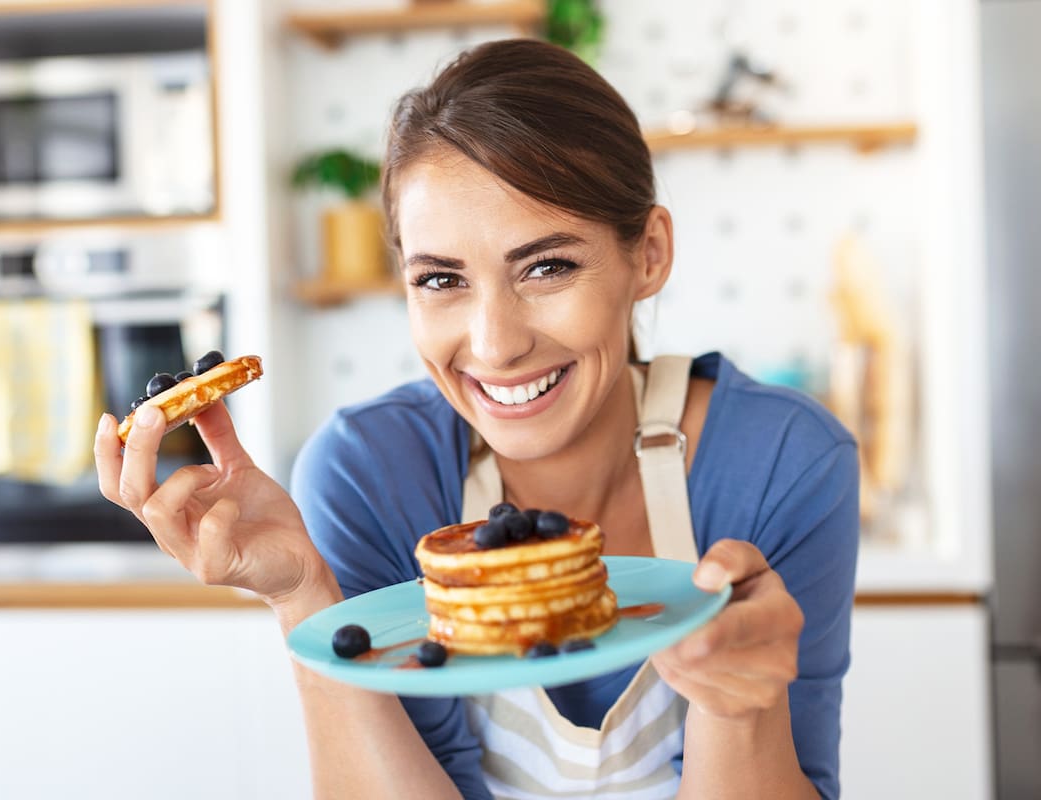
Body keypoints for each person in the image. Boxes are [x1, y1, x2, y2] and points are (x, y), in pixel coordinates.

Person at [94, 38, 858, 800]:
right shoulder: (368, 474)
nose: (496, 344)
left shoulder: (782, 462)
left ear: (649, 254)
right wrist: (304, 599)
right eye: (441, 279)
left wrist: (738, 710)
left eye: (547, 266)